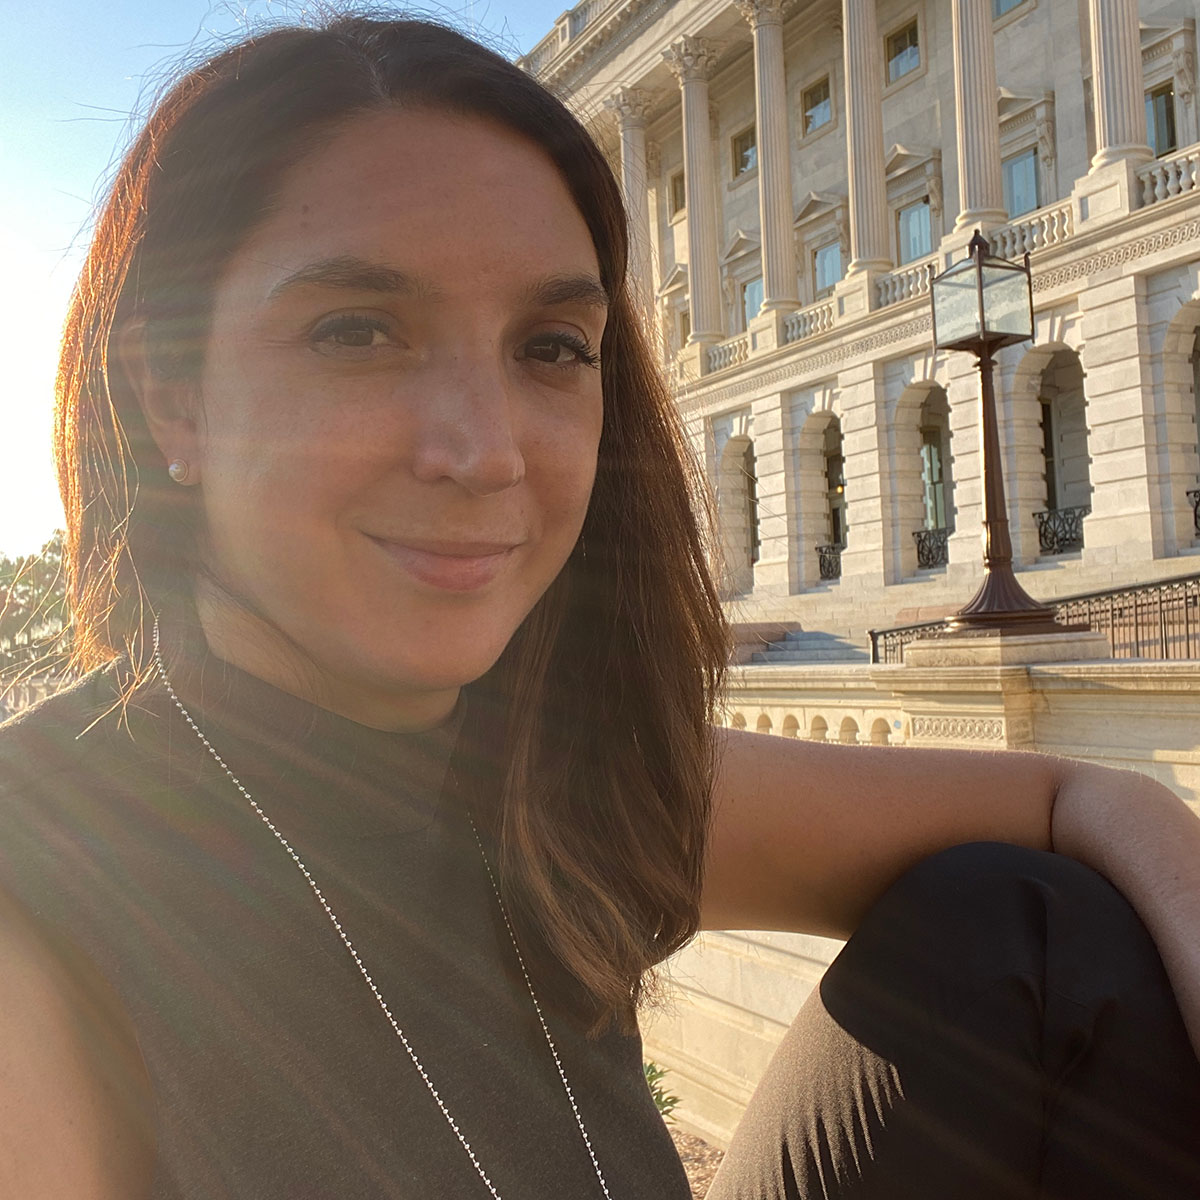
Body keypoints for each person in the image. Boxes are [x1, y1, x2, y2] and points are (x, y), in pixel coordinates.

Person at [1, 14, 1198, 1199]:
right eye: (355, 331)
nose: (485, 453)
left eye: (553, 347)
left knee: (1024, 927)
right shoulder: (44, 880)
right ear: (173, 402)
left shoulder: (559, 778)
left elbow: (1083, 794)